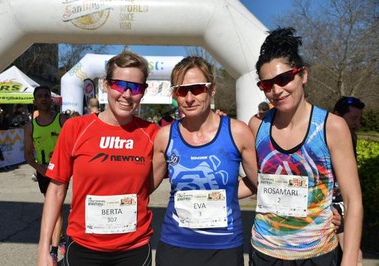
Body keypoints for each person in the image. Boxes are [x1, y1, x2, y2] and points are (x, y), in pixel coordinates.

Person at [247, 27, 363, 265]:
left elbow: (353, 200)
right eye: (266, 85)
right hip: (264, 254)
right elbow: (255, 182)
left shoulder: (332, 127)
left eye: (283, 79)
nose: (276, 90)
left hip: (316, 255)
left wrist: (349, 258)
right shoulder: (257, 126)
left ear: (303, 75)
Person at [37, 50, 159, 266]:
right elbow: (56, 190)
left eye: (137, 88)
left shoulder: (152, 134)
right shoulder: (76, 128)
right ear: (105, 85)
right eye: (120, 85)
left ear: (143, 92)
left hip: (134, 249)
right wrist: (44, 248)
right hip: (85, 247)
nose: (127, 94)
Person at [152, 56, 258, 266]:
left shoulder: (238, 131)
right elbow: (143, 187)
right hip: (175, 245)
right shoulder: (165, 136)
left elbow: (260, 183)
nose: (189, 98)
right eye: (182, 91)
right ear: (175, 94)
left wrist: (224, 194)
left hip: (224, 247)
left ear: (212, 89)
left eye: (197, 88)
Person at [24, 85, 69, 265]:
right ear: (35, 101)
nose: (43, 99)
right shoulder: (30, 126)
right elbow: (27, 154)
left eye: (46, 96)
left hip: (61, 170)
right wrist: (38, 167)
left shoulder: (63, 120)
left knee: (56, 208)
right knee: (52, 207)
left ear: (51, 99)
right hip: (43, 171)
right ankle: (61, 238)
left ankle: (53, 250)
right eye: (39, 96)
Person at [333, 96, 365, 265]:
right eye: (353, 118)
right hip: (328, 205)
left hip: (345, 203)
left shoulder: (352, 136)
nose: (357, 123)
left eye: (359, 118)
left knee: (354, 255)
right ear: (337, 116)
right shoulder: (324, 137)